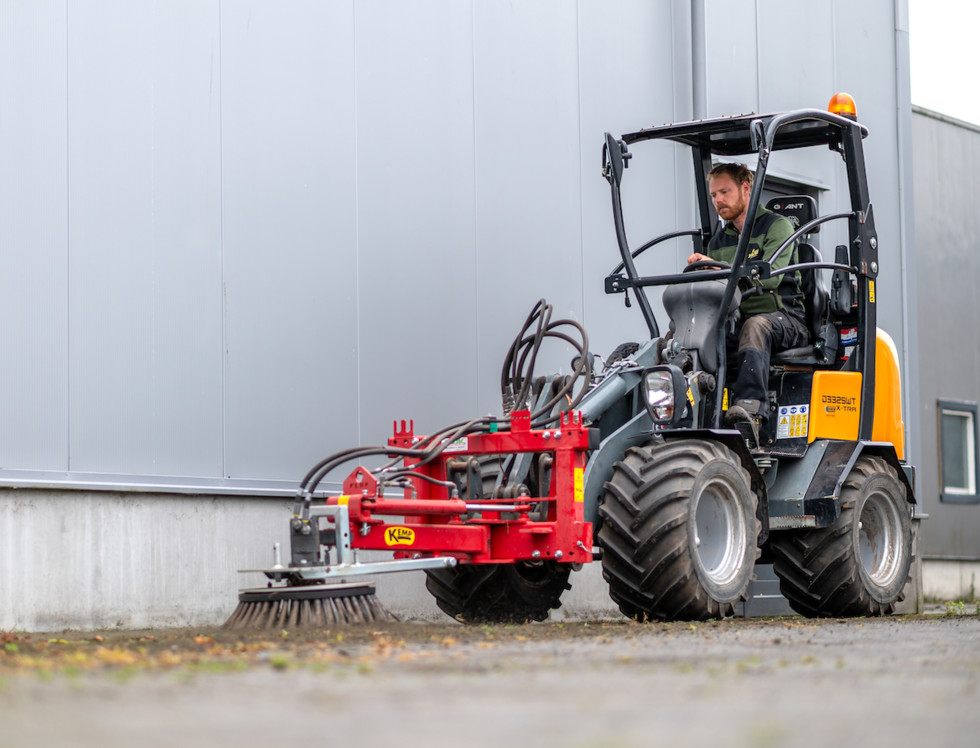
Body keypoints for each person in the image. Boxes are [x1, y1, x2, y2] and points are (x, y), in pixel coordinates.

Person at [687, 162, 807, 437]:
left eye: (725, 192)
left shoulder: (778, 226)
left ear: (745, 188)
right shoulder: (719, 240)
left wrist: (720, 269)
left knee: (755, 326)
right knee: (690, 332)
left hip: (783, 318)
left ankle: (750, 413)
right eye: (714, 195)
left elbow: (771, 279)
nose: (718, 200)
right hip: (736, 320)